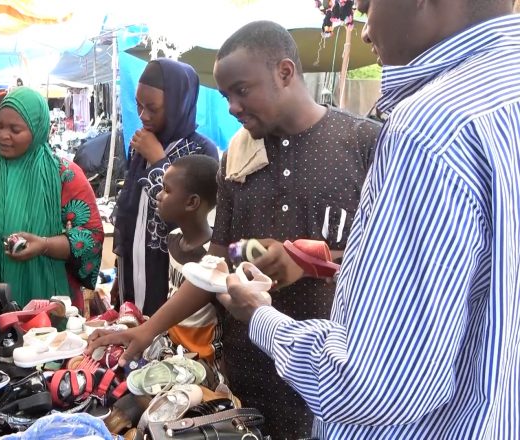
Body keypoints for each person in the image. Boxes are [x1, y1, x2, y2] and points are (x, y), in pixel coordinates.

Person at [216, 1, 520, 438]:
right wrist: (241, 253)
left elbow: (372, 386)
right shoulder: (502, 98)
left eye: (367, 5)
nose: (362, 29)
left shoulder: (423, 132)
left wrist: (261, 316)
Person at [89, 21, 380, 438]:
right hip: (245, 369)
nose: (231, 107)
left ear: (284, 72)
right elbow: (218, 262)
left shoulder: (365, 144)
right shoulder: (235, 161)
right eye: (225, 95)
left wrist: (316, 262)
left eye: (242, 90)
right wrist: (147, 328)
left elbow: (404, 261)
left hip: (333, 375)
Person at [0, 87, 103, 309]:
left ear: (37, 130)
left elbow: (91, 239)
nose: (2, 135)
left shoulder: (63, 175)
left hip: (44, 309)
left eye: (15, 129)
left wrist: (44, 245)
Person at [114, 59, 219, 317]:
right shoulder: (139, 142)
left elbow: (194, 219)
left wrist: (158, 160)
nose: (143, 116)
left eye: (153, 108)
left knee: (160, 335)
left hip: (170, 265)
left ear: (178, 104)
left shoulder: (201, 152)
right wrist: (120, 268)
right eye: (139, 106)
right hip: (135, 260)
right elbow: (130, 206)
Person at [156, 155, 220, 364]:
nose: (159, 195)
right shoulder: (173, 238)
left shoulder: (212, 256)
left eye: (167, 190)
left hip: (204, 359)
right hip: (175, 349)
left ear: (192, 202)